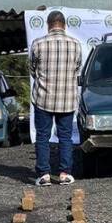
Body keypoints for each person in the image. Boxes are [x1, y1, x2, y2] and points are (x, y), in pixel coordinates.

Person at [29, 10, 82, 186]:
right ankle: (64, 174)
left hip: (43, 98)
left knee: (43, 136)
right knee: (65, 137)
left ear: (49, 24)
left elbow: (32, 70)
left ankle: (44, 175)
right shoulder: (75, 44)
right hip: (66, 99)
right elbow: (77, 70)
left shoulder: (38, 44)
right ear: (64, 25)